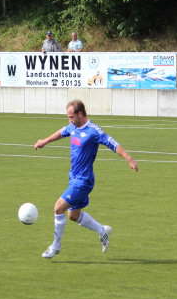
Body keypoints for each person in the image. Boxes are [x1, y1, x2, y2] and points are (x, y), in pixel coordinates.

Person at [33, 100, 139, 258]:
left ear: (80, 114)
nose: (69, 120)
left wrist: (129, 159)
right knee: (73, 216)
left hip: (83, 181)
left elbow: (113, 144)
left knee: (58, 208)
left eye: (71, 117)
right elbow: (62, 132)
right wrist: (44, 141)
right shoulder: (73, 127)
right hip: (73, 178)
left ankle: (55, 246)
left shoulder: (93, 131)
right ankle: (102, 230)